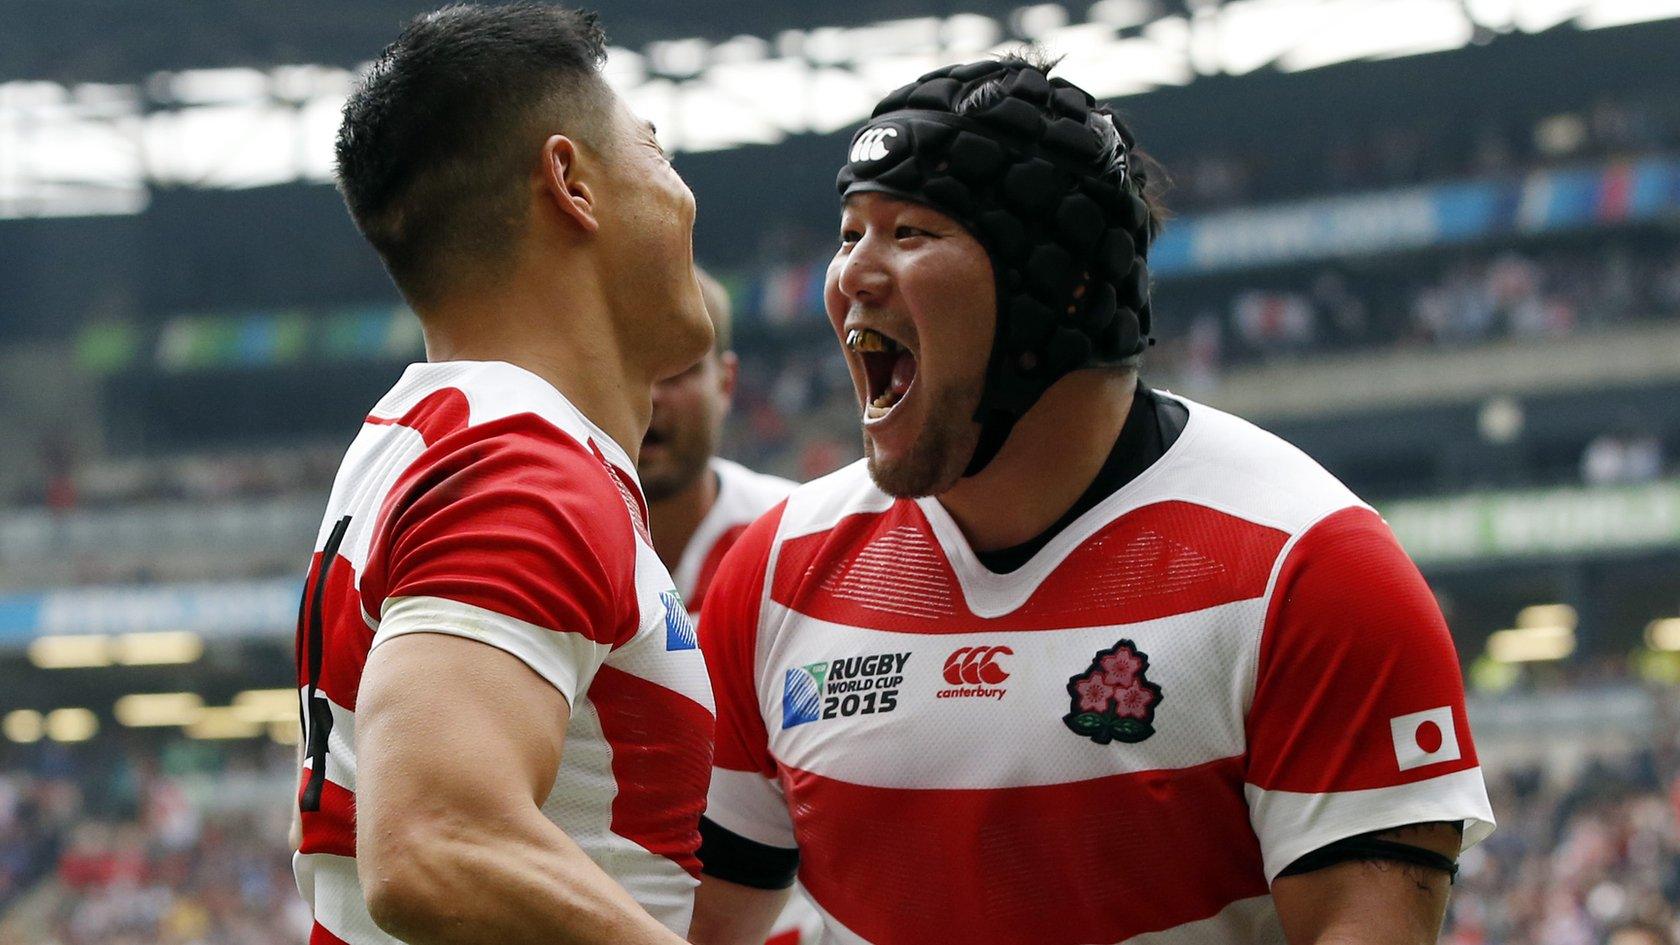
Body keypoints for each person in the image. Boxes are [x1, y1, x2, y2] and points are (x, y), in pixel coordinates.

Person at [687, 55, 1495, 945]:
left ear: (1063, 285)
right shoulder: (773, 575)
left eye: (911, 231)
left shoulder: (1308, 568)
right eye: (849, 234)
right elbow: (706, 924)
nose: (851, 277)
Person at [293, 6, 714, 945]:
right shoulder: (522, 466)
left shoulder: (437, 434)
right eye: (655, 150)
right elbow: (437, 840)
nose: (686, 197)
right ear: (571, 182)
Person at [639, 269, 821, 945]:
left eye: (681, 370)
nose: (654, 397)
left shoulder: (799, 541)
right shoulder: (546, 553)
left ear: (727, 379)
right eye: (635, 366)